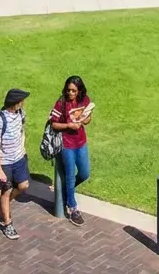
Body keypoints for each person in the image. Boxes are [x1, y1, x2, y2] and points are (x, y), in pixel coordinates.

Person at [49, 76, 93, 226]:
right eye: (68, 90)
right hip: (66, 144)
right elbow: (54, 124)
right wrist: (68, 125)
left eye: (74, 90)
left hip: (81, 142)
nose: (70, 93)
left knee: (85, 173)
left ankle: (68, 192)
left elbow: (88, 119)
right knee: (69, 175)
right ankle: (73, 208)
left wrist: (83, 120)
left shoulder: (84, 100)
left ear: (79, 90)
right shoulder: (61, 102)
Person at [0, 88, 30, 240]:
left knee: (23, 185)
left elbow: (22, 130)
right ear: (15, 102)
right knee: (6, 191)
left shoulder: (20, 113)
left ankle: (2, 203)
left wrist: (22, 147)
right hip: (5, 162)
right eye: (21, 100)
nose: (23, 103)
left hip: (19, 158)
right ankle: (8, 223)